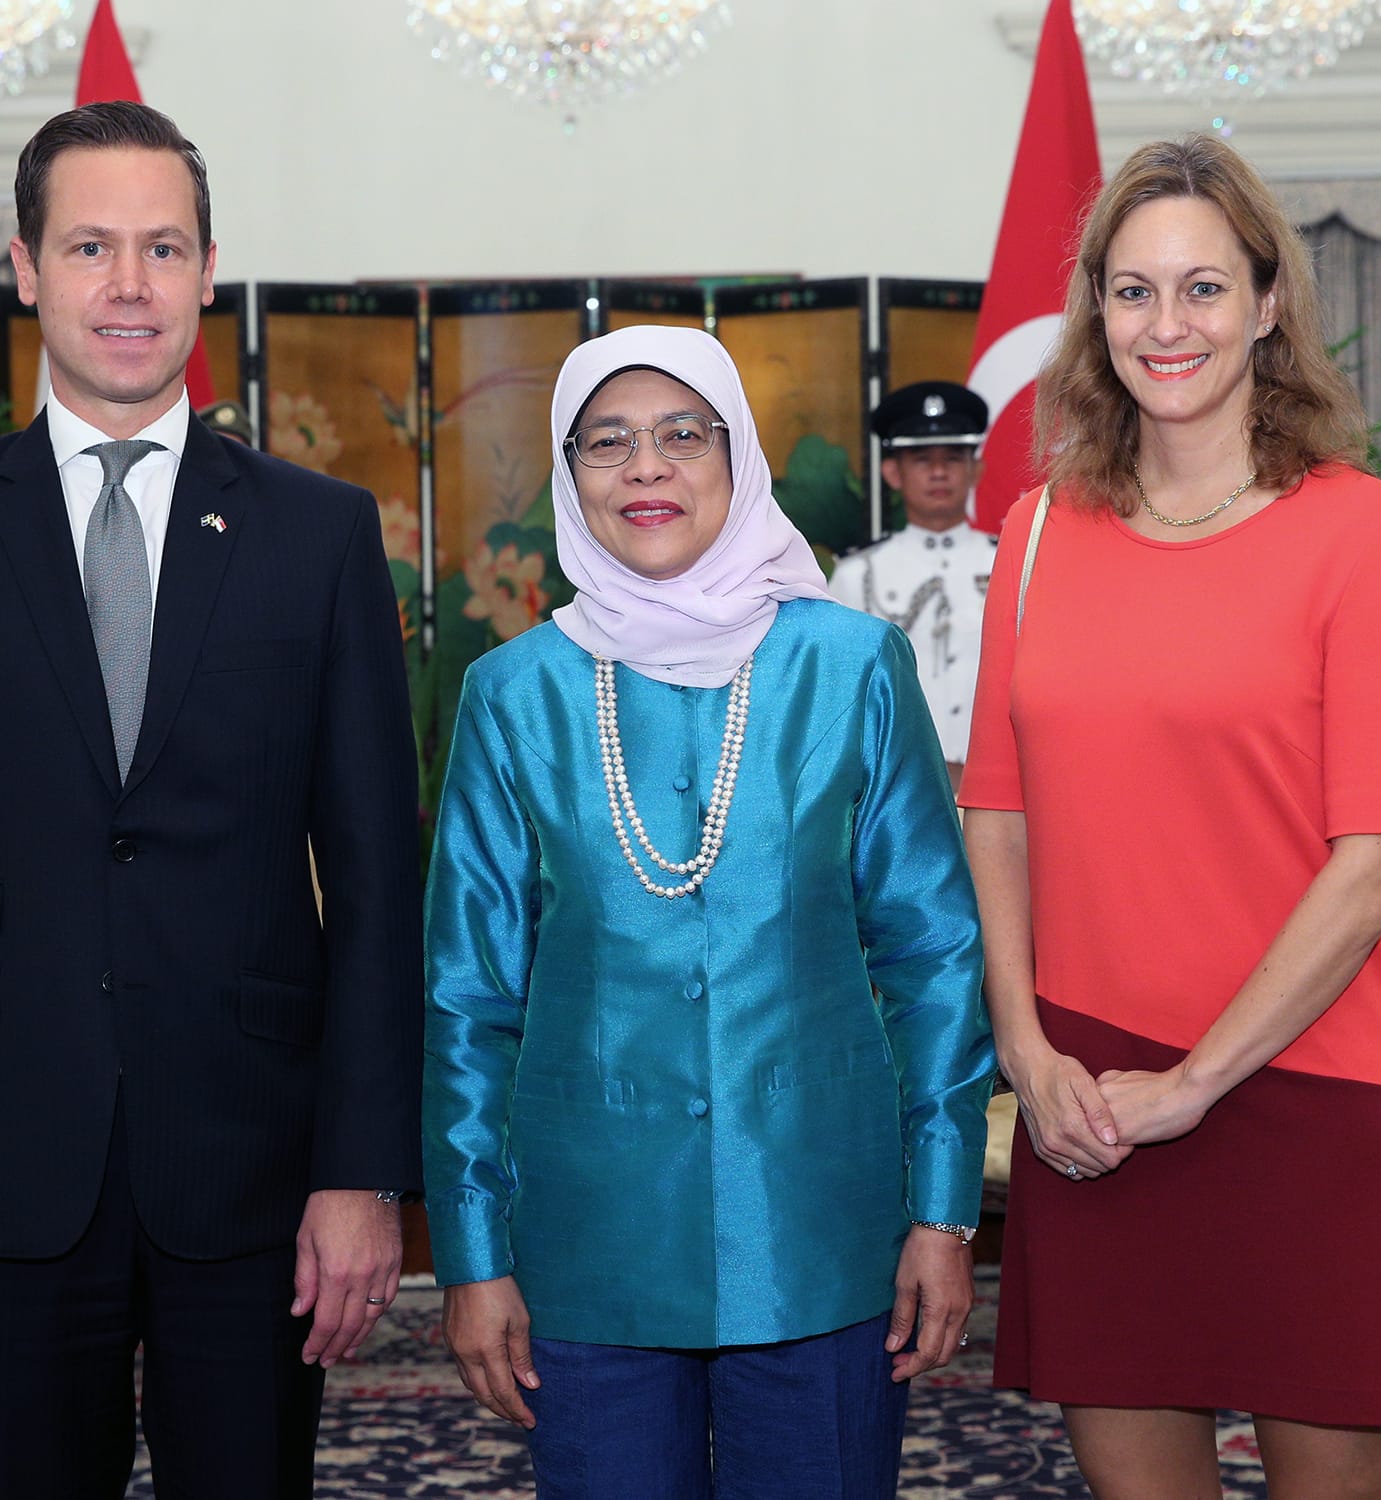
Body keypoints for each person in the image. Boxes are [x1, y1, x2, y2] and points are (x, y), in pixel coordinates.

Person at [0, 101, 422, 1499]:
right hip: (4, 1161)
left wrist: (362, 1172)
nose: (130, 284)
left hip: (255, 1163)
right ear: (26, 269)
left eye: (163, 247)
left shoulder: (319, 533)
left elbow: (379, 884)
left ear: (209, 270)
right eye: (90, 246)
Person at [958, 133, 1381, 1500]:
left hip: (1300, 1079)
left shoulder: (1363, 531)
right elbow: (995, 812)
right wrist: (1025, 1049)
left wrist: (1197, 1083)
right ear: (1095, 314)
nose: (1165, 324)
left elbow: (1378, 864)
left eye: (1202, 288)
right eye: (1132, 291)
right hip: (1092, 1100)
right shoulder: (1039, 533)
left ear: (1267, 302)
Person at [423, 325, 995, 1498]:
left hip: (818, 1230)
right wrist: (472, 1253)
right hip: (591, 1244)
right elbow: (466, 998)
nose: (646, 467)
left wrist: (942, 1212)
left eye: (684, 434)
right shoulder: (513, 693)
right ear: (569, 473)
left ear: (738, 460)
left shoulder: (852, 666)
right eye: (607, 442)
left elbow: (934, 950)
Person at [827, 381, 997, 783]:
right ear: (892, 473)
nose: (938, 472)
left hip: (996, 784)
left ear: (975, 469)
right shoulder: (858, 574)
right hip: (897, 785)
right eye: (922, 460)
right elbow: (841, 695)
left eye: (952, 458)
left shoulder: (1012, 562)